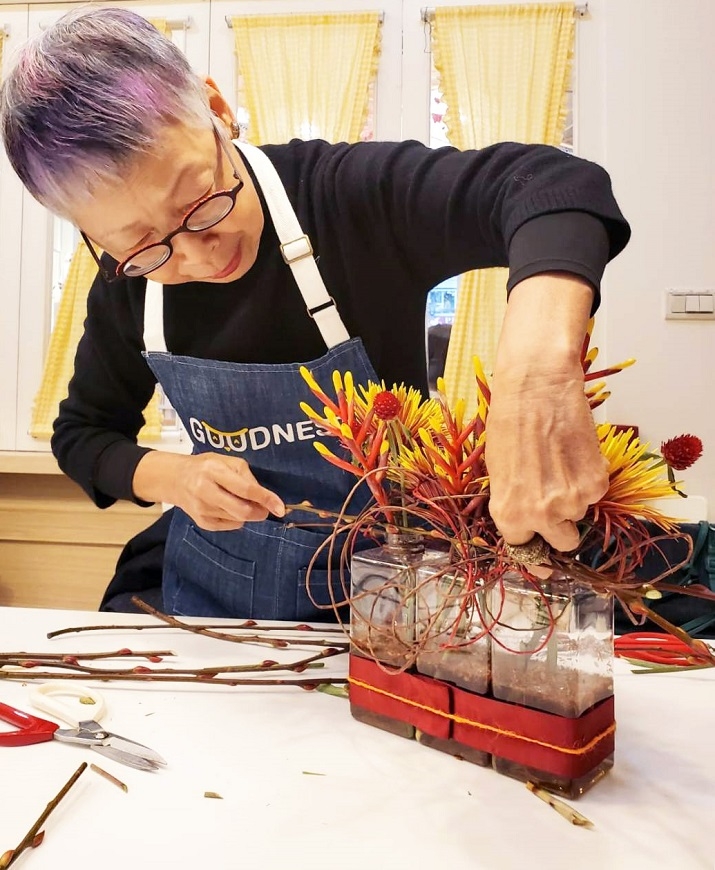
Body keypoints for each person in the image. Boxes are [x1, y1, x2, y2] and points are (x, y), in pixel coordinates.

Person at [0, 7, 631, 619]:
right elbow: (84, 435)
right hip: (214, 600)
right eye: (140, 243)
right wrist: (172, 477)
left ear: (217, 112)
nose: (195, 251)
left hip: (393, 593)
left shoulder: (347, 197)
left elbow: (552, 187)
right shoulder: (128, 286)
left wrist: (537, 379)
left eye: (198, 197)